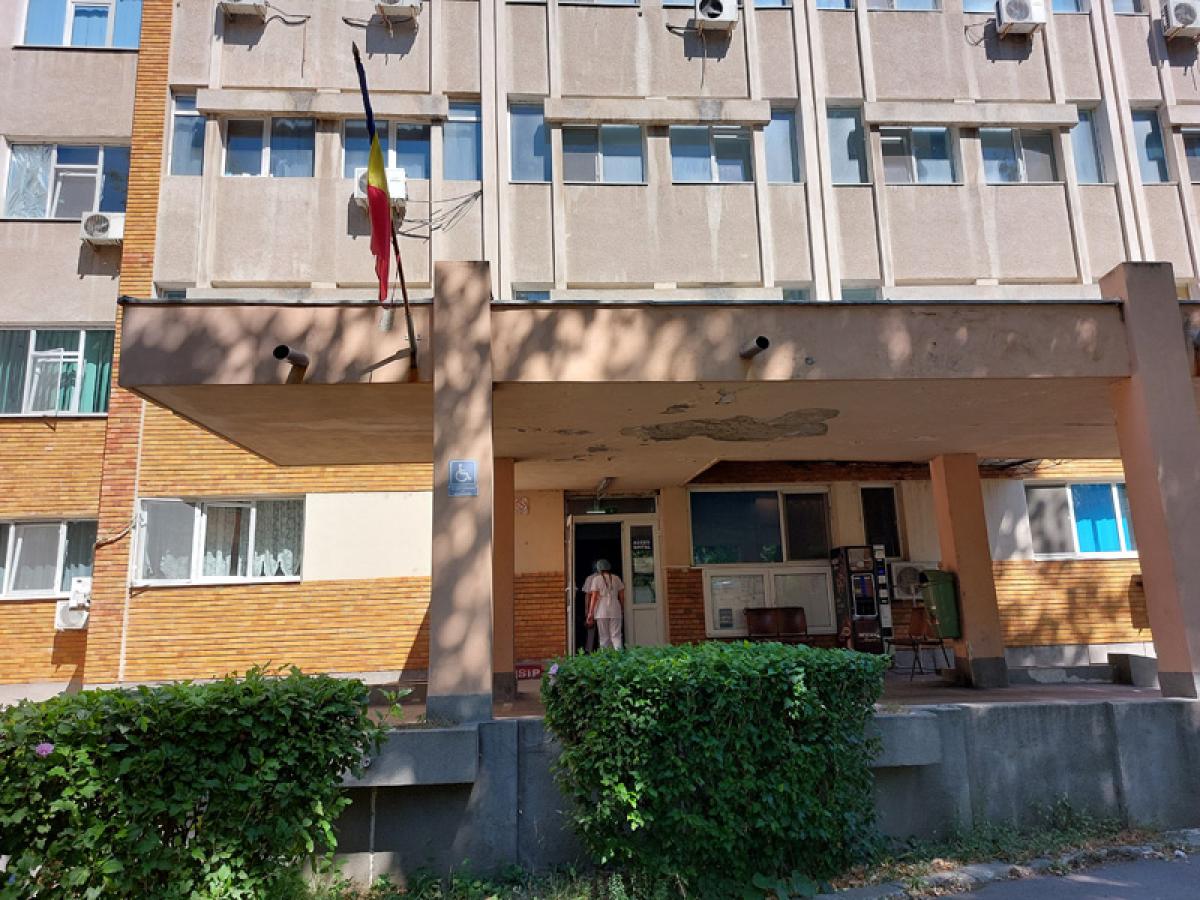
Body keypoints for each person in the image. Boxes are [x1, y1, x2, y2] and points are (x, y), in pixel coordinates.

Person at [583, 559, 625, 650]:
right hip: (615, 608)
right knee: (616, 636)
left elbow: (594, 597)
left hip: (601, 610)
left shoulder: (596, 579)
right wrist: (622, 607)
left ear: (598, 568)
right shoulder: (616, 578)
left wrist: (590, 613)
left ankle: (605, 657)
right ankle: (619, 656)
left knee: (604, 637)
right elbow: (622, 596)